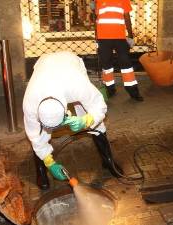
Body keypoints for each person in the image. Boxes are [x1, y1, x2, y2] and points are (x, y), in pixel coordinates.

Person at [23, 51, 123, 190]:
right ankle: (41, 171)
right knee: (39, 135)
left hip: (70, 62)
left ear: (66, 111)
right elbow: (35, 135)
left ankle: (108, 160)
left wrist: (87, 120)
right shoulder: (30, 103)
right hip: (43, 64)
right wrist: (49, 162)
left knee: (89, 114)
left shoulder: (77, 85)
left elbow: (99, 106)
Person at [95, 0, 144, 101]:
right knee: (106, 64)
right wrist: (97, 38)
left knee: (126, 64)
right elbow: (98, 19)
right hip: (103, 38)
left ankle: (133, 91)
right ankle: (110, 89)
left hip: (120, 38)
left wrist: (130, 35)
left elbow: (127, 17)